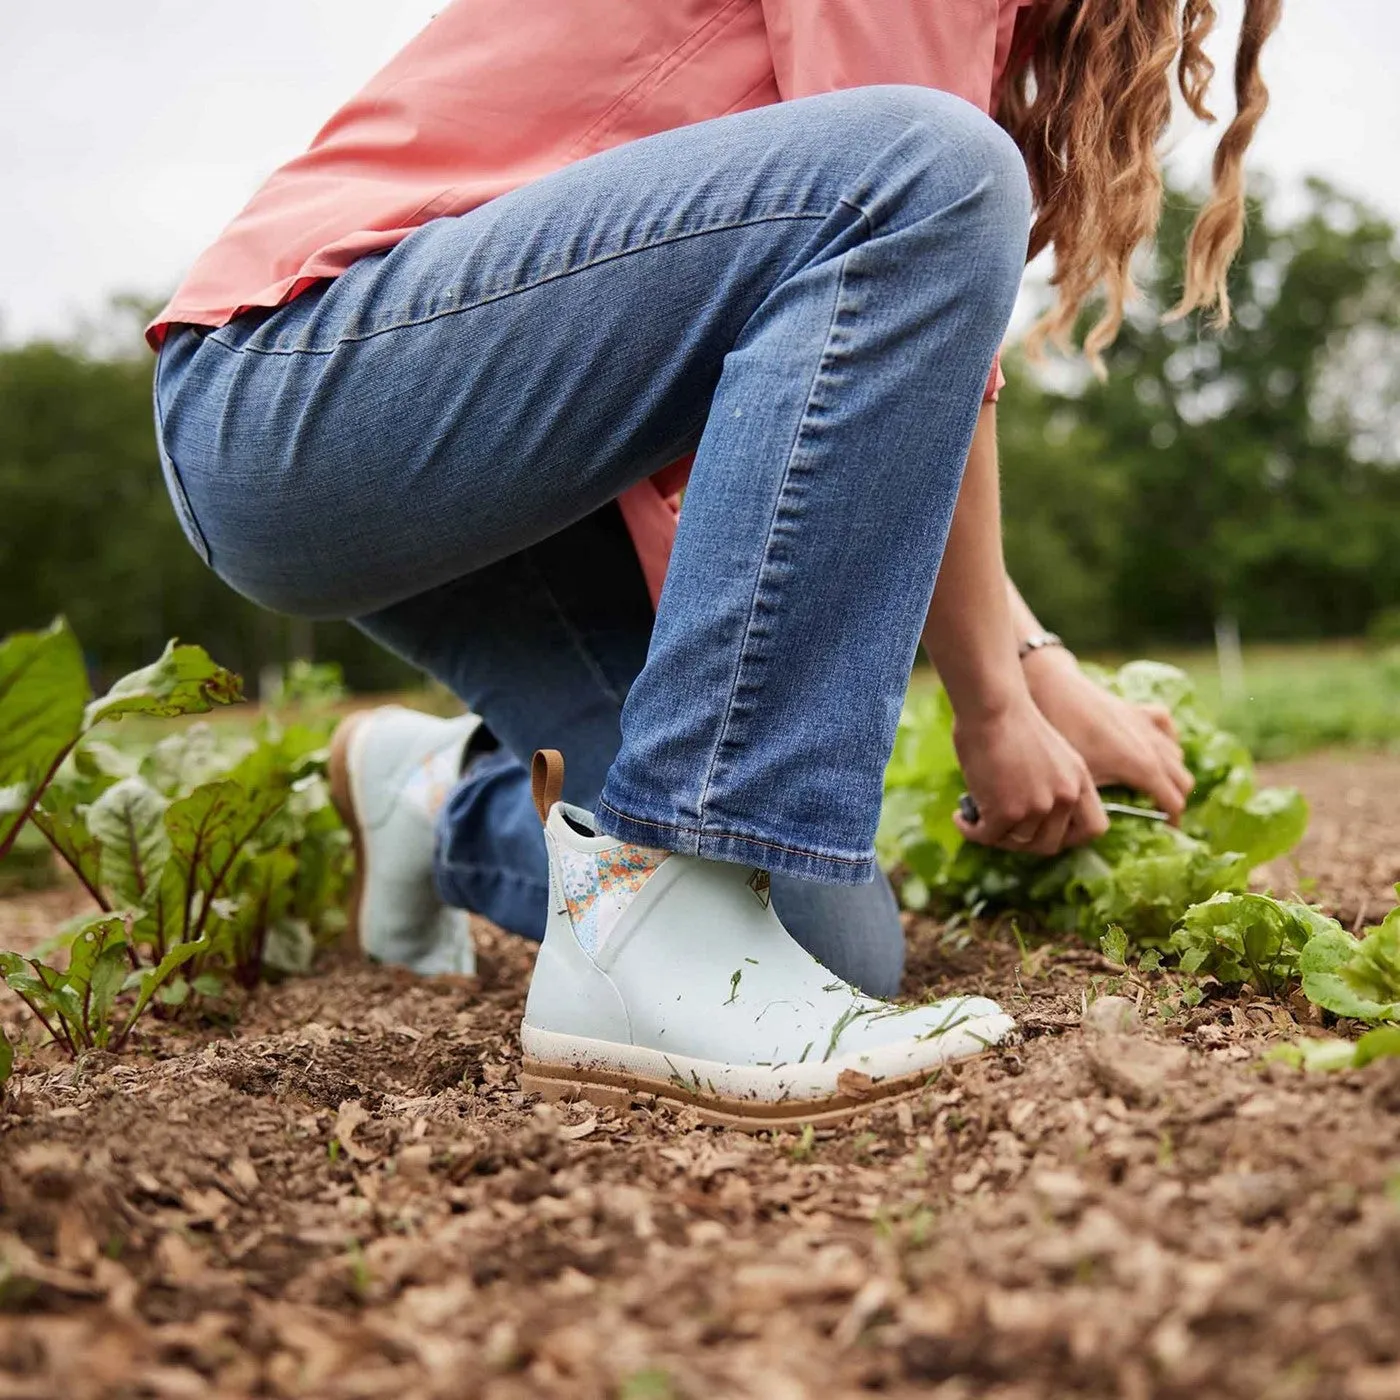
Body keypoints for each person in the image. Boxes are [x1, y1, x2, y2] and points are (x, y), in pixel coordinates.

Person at [150, 0, 1279, 1125]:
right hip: (306, 386)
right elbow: (912, 214)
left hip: (538, 478)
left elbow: (884, 398)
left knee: (806, 935)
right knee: (934, 170)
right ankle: (659, 906)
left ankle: (434, 797)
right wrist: (993, 698)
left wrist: (1040, 669)